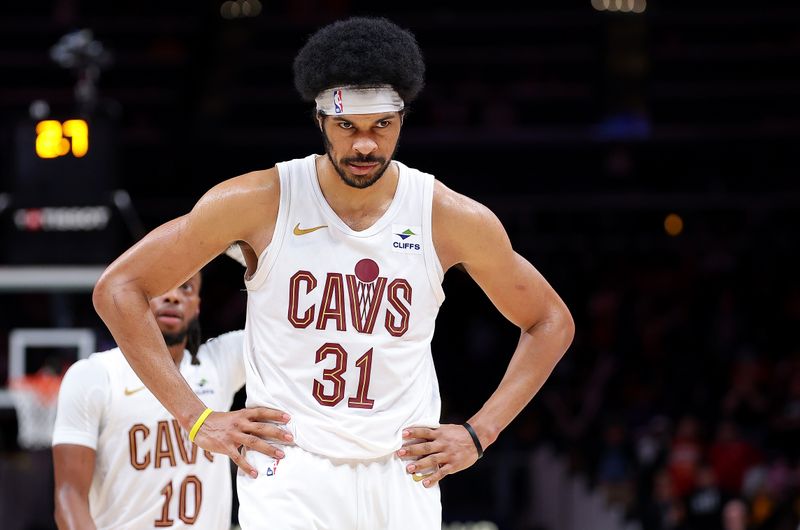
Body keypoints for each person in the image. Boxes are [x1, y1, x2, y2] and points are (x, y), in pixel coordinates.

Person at [91, 16, 575, 529]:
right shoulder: (256, 202)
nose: (364, 145)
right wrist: (196, 419)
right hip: (289, 467)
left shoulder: (449, 217)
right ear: (320, 120)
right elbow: (120, 288)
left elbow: (549, 320)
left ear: (401, 120)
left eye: (380, 126)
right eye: (348, 126)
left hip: (402, 470)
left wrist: (481, 433)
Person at [53, 272, 246, 529]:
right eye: (160, 286)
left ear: (197, 306)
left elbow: (282, 333)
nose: (173, 296)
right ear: (134, 299)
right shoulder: (95, 375)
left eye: (186, 288)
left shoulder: (219, 363)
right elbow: (69, 495)